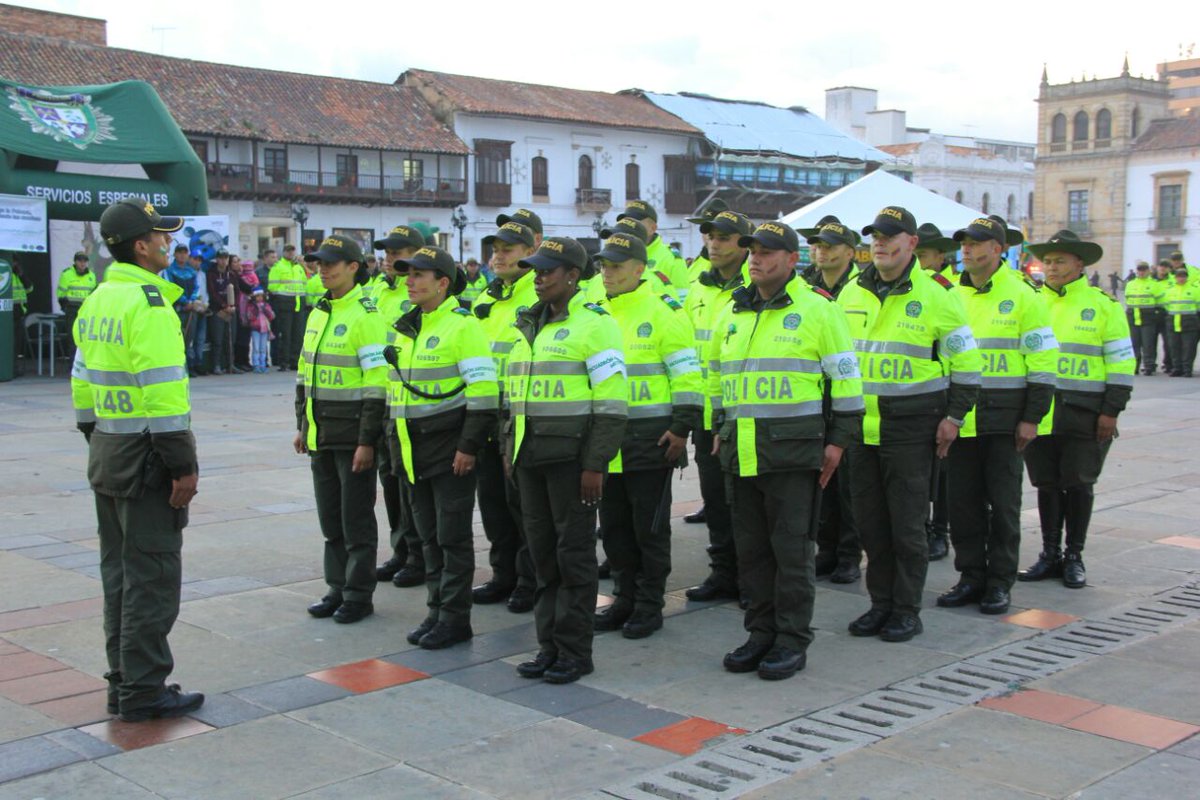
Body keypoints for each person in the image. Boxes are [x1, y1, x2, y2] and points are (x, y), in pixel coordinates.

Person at [707, 221, 864, 680]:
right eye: (752, 251)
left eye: (768, 252)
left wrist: (838, 440)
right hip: (743, 450)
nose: (756, 258)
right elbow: (717, 378)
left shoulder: (819, 311)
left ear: (793, 260)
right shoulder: (732, 312)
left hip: (793, 453)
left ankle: (792, 639)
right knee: (752, 551)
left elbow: (847, 382)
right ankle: (760, 632)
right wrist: (720, 424)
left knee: (791, 552)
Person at [69, 198, 203, 722]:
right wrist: (182, 465)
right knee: (151, 576)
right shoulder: (147, 303)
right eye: (161, 237)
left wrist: (95, 434)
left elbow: (81, 380)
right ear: (141, 245)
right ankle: (145, 689)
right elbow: (165, 395)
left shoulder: (101, 297)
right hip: (148, 457)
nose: (168, 244)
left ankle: (122, 680)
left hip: (108, 452)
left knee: (119, 576)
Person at [838, 206, 981, 643]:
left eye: (889, 235)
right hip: (862, 429)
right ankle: (879, 604)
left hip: (911, 428)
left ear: (912, 243)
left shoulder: (939, 294)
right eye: (874, 236)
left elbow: (968, 364)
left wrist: (955, 417)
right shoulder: (850, 294)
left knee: (906, 526)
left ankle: (906, 609)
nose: (879, 243)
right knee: (871, 525)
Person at [505, 237, 627, 684]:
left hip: (572, 465)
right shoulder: (527, 325)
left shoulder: (595, 325)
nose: (538, 278)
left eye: (547, 271)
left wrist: (596, 464)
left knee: (573, 558)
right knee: (542, 559)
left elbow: (612, 404)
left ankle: (575, 652)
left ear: (573, 275)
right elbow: (513, 400)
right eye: (535, 271)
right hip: (529, 461)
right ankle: (548, 646)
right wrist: (509, 451)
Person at [935, 217, 1057, 616]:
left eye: (976, 243)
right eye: (964, 243)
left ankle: (999, 582)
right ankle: (970, 575)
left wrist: (1032, 416)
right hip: (960, 416)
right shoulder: (949, 293)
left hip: (1006, 419)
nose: (966, 249)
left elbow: (1042, 360)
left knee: (1003, 504)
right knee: (962, 503)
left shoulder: (1025, 294)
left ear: (998, 248)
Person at [388, 246, 498, 649]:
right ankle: (435, 610)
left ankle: (455, 619)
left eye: (419, 275)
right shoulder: (408, 325)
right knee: (428, 538)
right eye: (407, 275)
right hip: (412, 449)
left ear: (443, 282)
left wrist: (468, 446)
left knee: (451, 538)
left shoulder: (462, 326)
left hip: (449, 448)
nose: (410, 281)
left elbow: (484, 393)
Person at [594, 230, 702, 639]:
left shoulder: (664, 313)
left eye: (616, 266)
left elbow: (688, 377)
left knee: (649, 530)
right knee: (615, 529)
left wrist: (681, 427)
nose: (607, 273)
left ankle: (648, 604)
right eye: (604, 265)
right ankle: (623, 598)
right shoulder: (595, 312)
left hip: (651, 442)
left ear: (640, 269)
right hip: (608, 443)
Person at [1018, 231, 1134, 588]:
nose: (1052, 268)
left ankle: (1074, 556)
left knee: (1079, 484)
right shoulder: (1032, 302)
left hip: (1085, 412)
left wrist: (1111, 411)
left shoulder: (1103, 305)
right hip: (1041, 411)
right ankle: (1049, 554)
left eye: (1060, 261)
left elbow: (1121, 364)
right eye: (1048, 262)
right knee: (1047, 484)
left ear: (1079, 264)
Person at [296, 235, 388, 623]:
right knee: (330, 519)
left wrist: (368, 441)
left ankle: (358, 593)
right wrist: (302, 425)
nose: (324, 269)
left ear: (354, 267)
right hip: (321, 434)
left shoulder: (365, 315)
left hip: (352, 436)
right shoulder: (319, 312)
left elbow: (376, 384)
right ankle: (336, 586)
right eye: (319, 263)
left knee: (356, 520)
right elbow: (304, 377)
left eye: (332, 263)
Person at [682, 209, 753, 603]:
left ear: (744, 244)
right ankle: (723, 572)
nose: (714, 242)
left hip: (744, 412)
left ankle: (750, 576)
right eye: (710, 236)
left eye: (724, 237)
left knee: (742, 500)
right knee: (714, 495)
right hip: (706, 410)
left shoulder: (755, 282)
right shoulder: (699, 286)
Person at [470, 221, 540, 612]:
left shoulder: (538, 293)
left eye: (509, 248)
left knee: (522, 503)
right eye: (495, 248)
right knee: (493, 500)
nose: (498, 255)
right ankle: (503, 574)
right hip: (487, 412)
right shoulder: (487, 296)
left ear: (530, 250)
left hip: (518, 413)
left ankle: (529, 580)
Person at [801, 217, 864, 584]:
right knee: (821, 478)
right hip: (814, 391)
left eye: (830, 246)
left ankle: (849, 553)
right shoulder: (805, 285)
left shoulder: (861, 287)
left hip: (846, 391)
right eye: (818, 245)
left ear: (849, 252)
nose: (822, 252)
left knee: (849, 480)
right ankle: (826, 548)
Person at [371, 225, 427, 590]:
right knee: (390, 481)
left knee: (411, 484)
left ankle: (419, 554)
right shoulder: (376, 289)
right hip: (379, 397)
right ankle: (401, 549)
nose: (391, 258)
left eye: (398, 252)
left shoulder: (418, 291)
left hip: (407, 398)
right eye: (388, 252)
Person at [907, 222, 962, 562]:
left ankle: (939, 530)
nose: (920, 261)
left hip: (940, 389)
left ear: (940, 257)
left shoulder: (947, 290)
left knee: (941, 472)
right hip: (915, 394)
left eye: (924, 256)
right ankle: (924, 526)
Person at [617, 200, 689, 300]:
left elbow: (682, 299)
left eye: (636, 223)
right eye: (626, 222)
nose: (630, 226)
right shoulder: (617, 255)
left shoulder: (670, 258)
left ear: (653, 228)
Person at [164, 246, 206, 376]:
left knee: (189, 340)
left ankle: (188, 366)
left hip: (190, 310)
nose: (182, 256)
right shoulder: (169, 270)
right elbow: (169, 287)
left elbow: (196, 288)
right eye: (179, 253)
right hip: (177, 310)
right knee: (176, 340)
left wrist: (192, 301)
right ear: (175, 255)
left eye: (185, 253)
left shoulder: (191, 272)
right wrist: (184, 301)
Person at [269, 244, 306, 371]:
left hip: (298, 303)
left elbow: (303, 284)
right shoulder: (278, 267)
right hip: (284, 303)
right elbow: (272, 287)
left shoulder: (298, 267)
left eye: (292, 251)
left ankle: (295, 361)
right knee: (285, 335)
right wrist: (282, 295)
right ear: (284, 252)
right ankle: (283, 362)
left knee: (298, 335)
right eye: (288, 252)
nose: (290, 254)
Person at [57, 250, 97, 361]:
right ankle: (73, 367)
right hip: (72, 310)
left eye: (85, 261)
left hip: (86, 310)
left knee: (87, 338)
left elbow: (93, 294)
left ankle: (86, 364)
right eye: (80, 261)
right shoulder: (67, 274)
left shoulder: (91, 276)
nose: (82, 263)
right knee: (73, 338)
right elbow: (61, 294)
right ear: (75, 262)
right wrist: (66, 307)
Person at [1123, 261, 1161, 375]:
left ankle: (1149, 366)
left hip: (1148, 318)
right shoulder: (1130, 284)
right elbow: (1127, 300)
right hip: (1133, 317)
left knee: (1148, 344)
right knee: (1134, 344)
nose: (1142, 272)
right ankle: (1135, 366)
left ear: (1148, 271)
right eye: (1140, 270)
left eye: (1144, 270)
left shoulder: (1154, 284)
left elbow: (1160, 302)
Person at [1164, 267, 1200, 377]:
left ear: (1187, 277)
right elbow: (1166, 305)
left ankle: (1187, 369)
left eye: (1183, 276)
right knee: (1174, 346)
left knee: (1188, 347)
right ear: (1175, 278)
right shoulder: (1170, 290)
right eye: (1179, 276)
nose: (1181, 278)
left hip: (1189, 322)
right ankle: (1177, 368)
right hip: (1173, 321)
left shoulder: (1195, 290)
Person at [206, 250, 237, 375]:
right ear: (217, 259)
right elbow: (212, 292)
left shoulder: (232, 274)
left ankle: (230, 364)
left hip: (231, 310)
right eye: (221, 258)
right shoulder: (211, 273)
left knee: (230, 339)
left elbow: (238, 292)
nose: (223, 261)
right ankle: (216, 365)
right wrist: (223, 305)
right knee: (217, 340)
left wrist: (234, 306)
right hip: (217, 310)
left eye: (226, 258)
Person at [1153, 259, 1175, 374]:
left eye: (1166, 266)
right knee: (1151, 342)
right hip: (1152, 313)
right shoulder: (1151, 280)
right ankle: (1151, 364)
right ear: (1157, 267)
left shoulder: (1173, 280)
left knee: (1168, 341)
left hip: (1167, 313)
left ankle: (1168, 364)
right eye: (1161, 266)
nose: (1163, 268)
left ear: (1169, 269)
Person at [246, 287, 274, 373]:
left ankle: (263, 364)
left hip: (265, 329)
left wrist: (265, 310)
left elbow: (272, 316)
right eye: (257, 296)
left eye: (261, 296)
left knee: (263, 348)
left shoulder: (266, 305)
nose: (259, 298)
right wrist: (256, 310)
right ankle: (256, 365)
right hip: (256, 329)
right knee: (256, 348)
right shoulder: (251, 306)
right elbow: (250, 317)